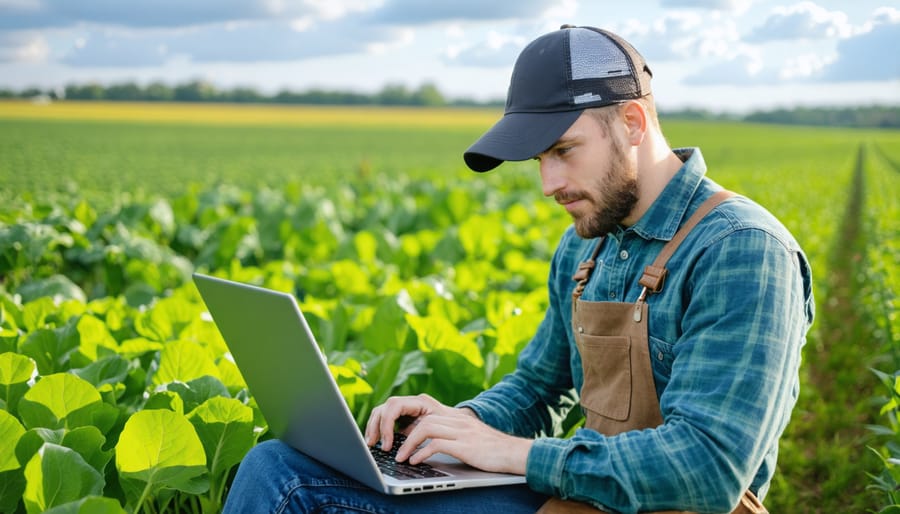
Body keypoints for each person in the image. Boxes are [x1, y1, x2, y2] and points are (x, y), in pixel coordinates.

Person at [222, 25, 814, 514]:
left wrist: (517, 455)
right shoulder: (585, 247)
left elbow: (707, 469)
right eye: (539, 159)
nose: (549, 184)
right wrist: (458, 424)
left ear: (633, 123)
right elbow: (536, 389)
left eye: (563, 151)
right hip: (583, 498)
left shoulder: (742, 249)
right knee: (280, 469)